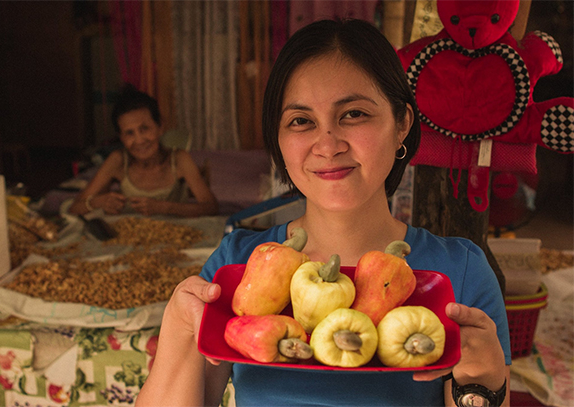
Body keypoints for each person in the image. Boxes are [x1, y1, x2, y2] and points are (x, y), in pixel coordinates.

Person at [136, 19, 511, 406]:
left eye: (353, 114)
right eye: (301, 121)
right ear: (278, 141)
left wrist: (483, 378)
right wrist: (177, 329)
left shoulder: (459, 275)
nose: (327, 144)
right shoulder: (239, 267)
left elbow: (479, 389)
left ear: (401, 124)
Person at [69, 86, 218, 217]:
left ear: (160, 126)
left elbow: (211, 207)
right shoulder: (118, 160)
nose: (139, 140)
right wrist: (96, 202)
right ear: (121, 137)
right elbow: (74, 208)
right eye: (129, 133)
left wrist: (164, 208)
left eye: (144, 129)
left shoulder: (178, 159)